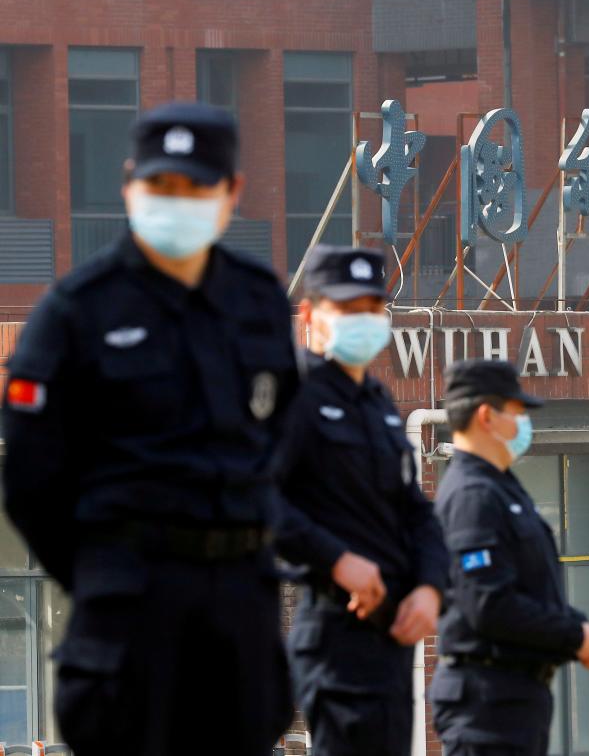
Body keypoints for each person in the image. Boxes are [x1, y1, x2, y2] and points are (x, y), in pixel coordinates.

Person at [0, 101, 297, 756]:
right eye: (161, 186)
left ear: (232, 194)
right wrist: (104, 568)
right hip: (131, 605)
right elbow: (30, 477)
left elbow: (280, 436)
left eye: (196, 187)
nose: (176, 202)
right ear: (129, 183)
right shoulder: (78, 311)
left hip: (239, 607)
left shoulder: (259, 300)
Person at [271, 244, 449, 756]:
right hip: (336, 634)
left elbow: (416, 512)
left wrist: (430, 588)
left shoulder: (379, 404)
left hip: (391, 636)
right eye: (347, 309)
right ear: (309, 314)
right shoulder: (292, 395)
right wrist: (338, 561)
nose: (364, 320)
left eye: (373, 308)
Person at [429, 359, 589, 756]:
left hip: (512, 699)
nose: (524, 424)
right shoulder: (472, 496)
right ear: (486, 416)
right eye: (517, 413)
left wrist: (576, 629)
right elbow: (488, 604)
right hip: (488, 701)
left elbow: (531, 586)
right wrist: (575, 636)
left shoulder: (501, 489)